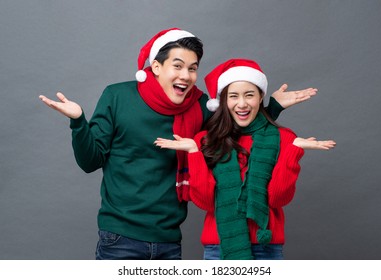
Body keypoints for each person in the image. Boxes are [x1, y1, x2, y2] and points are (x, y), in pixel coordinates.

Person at [39, 28, 319, 260]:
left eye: (193, 68)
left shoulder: (199, 105)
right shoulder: (117, 96)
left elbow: (235, 128)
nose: (186, 75)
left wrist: (272, 108)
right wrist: (78, 121)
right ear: (156, 66)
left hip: (170, 239)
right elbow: (90, 162)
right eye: (178, 66)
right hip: (119, 237)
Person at [154, 58, 336, 260]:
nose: (242, 104)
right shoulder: (206, 141)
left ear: (260, 98)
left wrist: (294, 153)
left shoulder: (284, 138)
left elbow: (277, 198)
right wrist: (194, 153)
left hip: (266, 248)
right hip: (219, 248)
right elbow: (205, 202)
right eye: (233, 96)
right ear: (224, 101)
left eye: (249, 95)